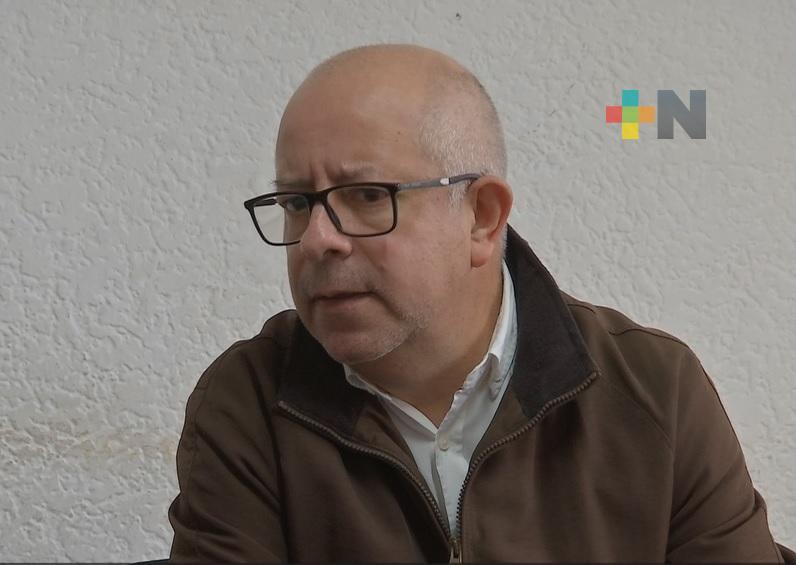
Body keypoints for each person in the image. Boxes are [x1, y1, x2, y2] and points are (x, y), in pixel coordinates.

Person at [167, 44, 792, 562]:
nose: (316, 240)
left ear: (482, 216)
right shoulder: (249, 402)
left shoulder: (655, 391)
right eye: (297, 202)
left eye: (367, 196)